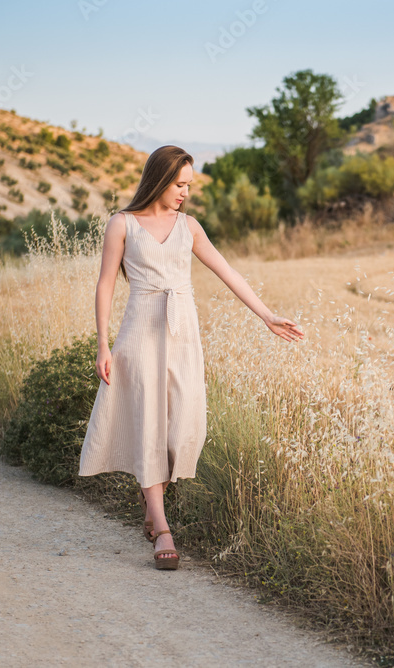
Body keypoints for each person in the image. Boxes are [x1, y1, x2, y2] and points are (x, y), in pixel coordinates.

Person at [78, 145, 304, 570]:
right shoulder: (122, 224)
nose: (185, 192)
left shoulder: (190, 226)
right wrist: (103, 345)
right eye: (180, 184)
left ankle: (151, 507)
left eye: (189, 186)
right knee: (147, 423)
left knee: (180, 425)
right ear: (160, 179)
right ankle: (162, 527)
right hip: (139, 333)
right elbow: (105, 285)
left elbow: (227, 271)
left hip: (184, 335)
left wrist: (267, 316)